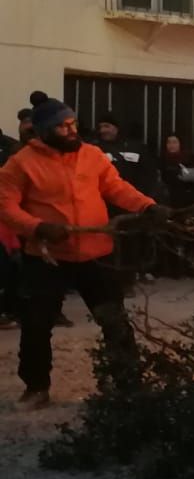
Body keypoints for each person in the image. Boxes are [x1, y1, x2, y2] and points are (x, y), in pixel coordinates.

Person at [0, 94, 167, 408]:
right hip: (47, 257)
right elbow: (5, 206)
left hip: (95, 254)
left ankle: (128, 383)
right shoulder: (21, 163)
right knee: (37, 324)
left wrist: (147, 206)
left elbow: (115, 187)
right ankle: (36, 387)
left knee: (114, 320)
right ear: (44, 131)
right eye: (63, 126)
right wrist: (37, 227)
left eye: (73, 123)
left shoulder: (92, 155)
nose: (71, 130)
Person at [94, 114, 163, 286]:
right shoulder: (95, 149)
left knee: (132, 242)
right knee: (107, 243)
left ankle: (129, 279)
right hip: (105, 206)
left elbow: (149, 173)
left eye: (107, 126)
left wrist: (146, 199)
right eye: (101, 127)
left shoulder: (136, 147)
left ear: (116, 128)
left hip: (132, 205)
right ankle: (107, 280)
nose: (103, 130)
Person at [156, 134, 194, 276]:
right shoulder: (162, 160)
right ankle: (173, 269)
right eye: (168, 142)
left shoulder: (189, 158)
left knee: (190, 234)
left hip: (190, 202)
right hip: (170, 203)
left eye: (174, 142)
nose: (171, 145)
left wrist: (187, 175)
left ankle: (190, 267)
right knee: (172, 235)